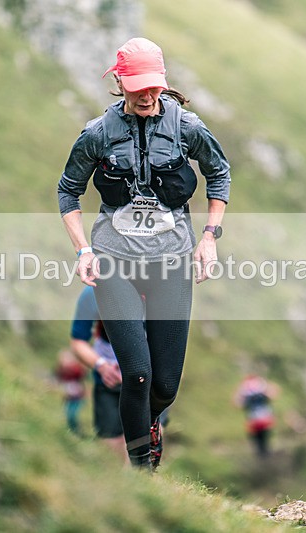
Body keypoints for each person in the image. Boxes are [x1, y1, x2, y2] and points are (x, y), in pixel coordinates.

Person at [58, 37, 231, 470]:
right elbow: (68, 191)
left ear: (163, 81)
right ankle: (143, 473)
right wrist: (83, 250)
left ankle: (150, 423)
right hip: (114, 260)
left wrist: (209, 236)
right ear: (120, 82)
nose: (146, 95)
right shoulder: (97, 134)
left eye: (153, 85)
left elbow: (219, 174)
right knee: (136, 373)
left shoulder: (187, 127)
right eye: (136, 86)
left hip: (172, 261)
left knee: (165, 385)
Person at [70, 285, 127, 460]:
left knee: (145, 449)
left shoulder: (160, 291)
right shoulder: (92, 292)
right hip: (108, 384)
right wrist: (101, 366)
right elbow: (78, 341)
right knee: (111, 450)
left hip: (150, 385)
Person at [234, 374, 279, 457]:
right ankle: (262, 455)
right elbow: (238, 403)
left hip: (261, 419)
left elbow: (273, 394)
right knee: (259, 440)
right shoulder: (252, 391)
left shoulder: (257, 390)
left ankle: (264, 454)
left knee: (263, 439)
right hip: (257, 420)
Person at [55, 349, 87, 434]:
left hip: (77, 396)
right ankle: (71, 430)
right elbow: (58, 379)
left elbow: (81, 373)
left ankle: (77, 430)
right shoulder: (60, 370)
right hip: (68, 396)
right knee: (67, 413)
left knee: (73, 414)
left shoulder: (76, 369)